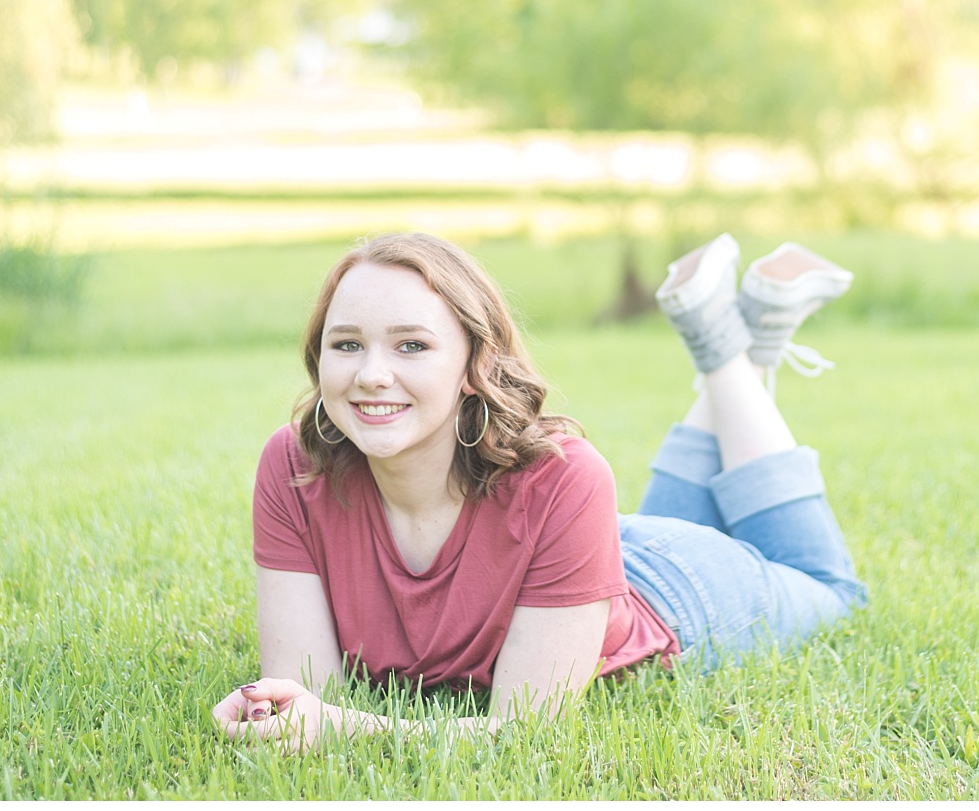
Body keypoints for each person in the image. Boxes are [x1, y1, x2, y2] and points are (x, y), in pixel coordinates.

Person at [211, 231, 867, 750]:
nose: (371, 374)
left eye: (411, 345)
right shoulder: (297, 466)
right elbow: (305, 692)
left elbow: (526, 731)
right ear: (319, 357)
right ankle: (740, 336)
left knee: (831, 588)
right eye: (346, 343)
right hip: (575, 563)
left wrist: (346, 728)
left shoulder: (567, 477)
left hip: (677, 588)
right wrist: (282, 712)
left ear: (474, 365)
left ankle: (725, 348)